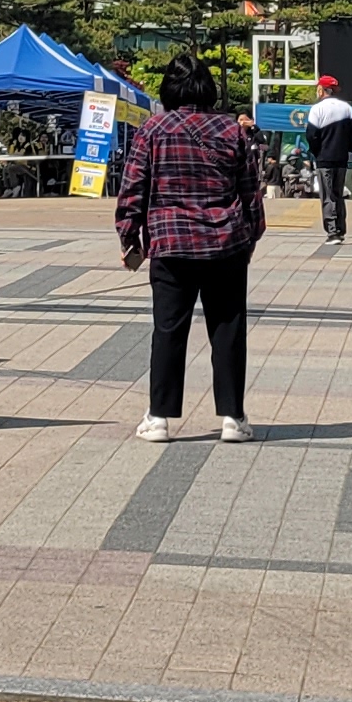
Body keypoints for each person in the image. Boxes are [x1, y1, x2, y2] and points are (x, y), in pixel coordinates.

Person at [115, 55, 267, 443]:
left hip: (171, 244)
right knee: (228, 330)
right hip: (225, 243)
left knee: (168, 330)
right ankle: (233, 417)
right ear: (207, 89)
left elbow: (133, 187)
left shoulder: (153, 130)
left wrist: (129, 237)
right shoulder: (231, 130)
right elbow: (251, 191)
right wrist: (251, 236)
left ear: (169, 89)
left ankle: (159, 418)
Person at [302, 74, 352, 245]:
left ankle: (332, 232)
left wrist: (316, 152)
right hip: (341, 159)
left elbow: (311, 135)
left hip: (324, 159)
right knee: (338, 194)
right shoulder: (347, 108)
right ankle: (340, 229)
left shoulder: (317, 109)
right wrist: (347, 149)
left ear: (322, 89)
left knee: (327, 195)